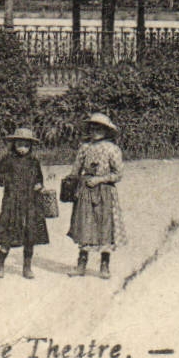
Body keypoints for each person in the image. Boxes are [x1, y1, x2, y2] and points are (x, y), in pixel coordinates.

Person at [67, 112, 125, 279]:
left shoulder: (112, 149)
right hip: (85, 191)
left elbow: (118, 174)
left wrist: (100, 179)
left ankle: (104, 265)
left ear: (107, 131)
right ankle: (81, 264)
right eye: (93, 127)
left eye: (100, 128)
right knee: (85, 225)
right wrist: (73, 182)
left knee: (105, 226)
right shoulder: (84, 148)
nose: (95, 131)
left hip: (105, 192)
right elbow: (75, 170)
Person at [0, 126, 50, 279]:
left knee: (30, 234)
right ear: (14, 144)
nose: (22, 148)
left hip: (30, 202)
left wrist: (39, 185)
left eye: (26, 145)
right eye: (19, 145)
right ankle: (0, 264)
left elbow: (39, 179)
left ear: (31, 146)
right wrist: (8, 182)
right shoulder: (8, 160)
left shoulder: (34, 162)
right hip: (12, 202)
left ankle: (27, 267)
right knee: (8, 233)